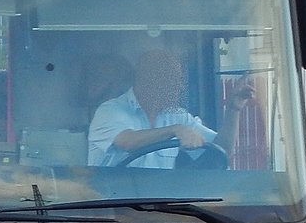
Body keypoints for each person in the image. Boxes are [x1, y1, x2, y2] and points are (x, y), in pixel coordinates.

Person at [87, 48, 252, 168]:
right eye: (172, 80)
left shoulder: (177, 116)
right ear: (147, 80)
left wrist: (233, 109)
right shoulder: (110, 111)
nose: (179, 87)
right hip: (112, 206)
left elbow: (221, 149)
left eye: (179, 80)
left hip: (162, 207)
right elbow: (128, 141)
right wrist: (174, 130)